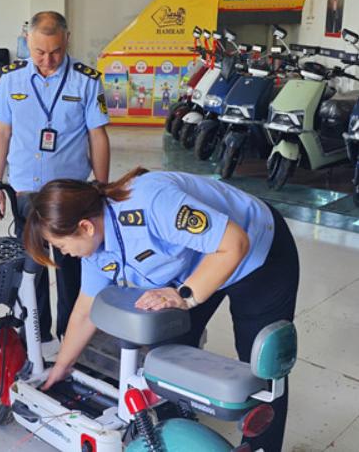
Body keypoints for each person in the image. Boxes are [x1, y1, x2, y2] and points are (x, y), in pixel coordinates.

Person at [24, 168, 299, 452]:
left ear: (85, 227)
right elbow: (84, 310)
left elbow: (234, 243)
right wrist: (61, 367)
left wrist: (184, 296)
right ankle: (178, 428)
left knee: (262, 369)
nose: (64, 253)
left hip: (258, 252)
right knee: (168, 349)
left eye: (61, 245)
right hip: (198, 266)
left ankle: (261, 446)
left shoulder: (152, 202)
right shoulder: (95, 249)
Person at [0, 10, 110, 343]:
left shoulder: (86, 80)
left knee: (72, 268)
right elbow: (2, 133)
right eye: (39, 51)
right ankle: (35, 334)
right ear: (28, 40)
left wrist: (102, 186)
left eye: (55, 51)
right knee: (31, 267)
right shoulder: (11, 79)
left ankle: (71, 333)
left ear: (67, 39)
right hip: (25, 191)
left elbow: (98, 136)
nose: (47, 59)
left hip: (70, 194)